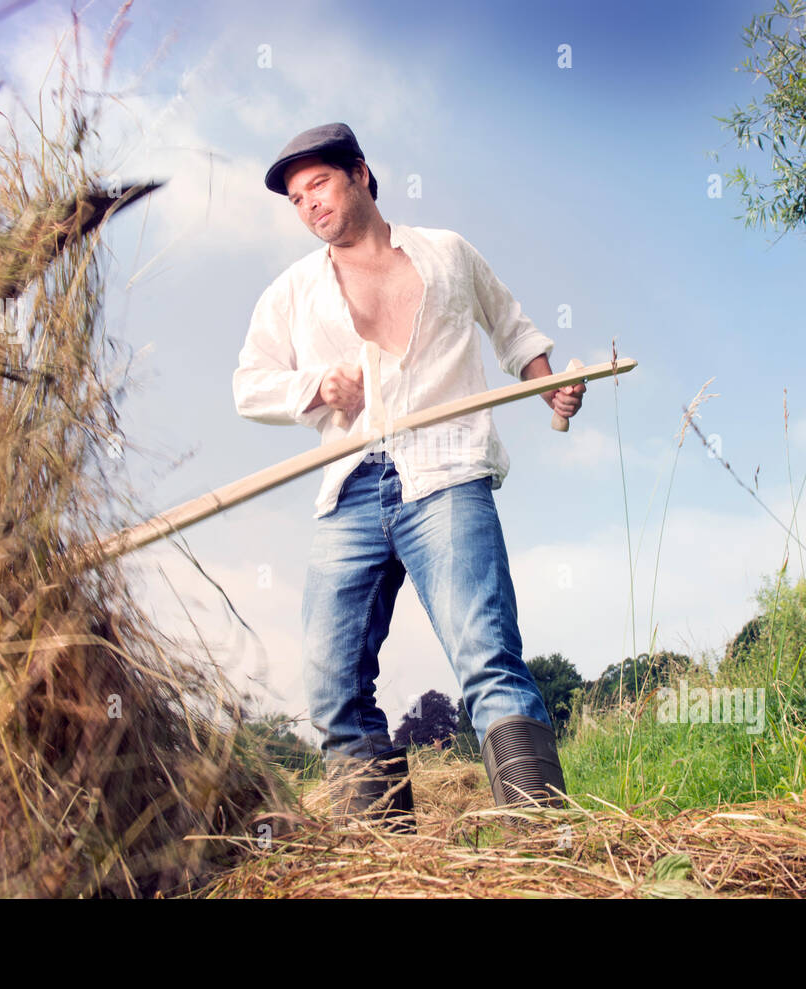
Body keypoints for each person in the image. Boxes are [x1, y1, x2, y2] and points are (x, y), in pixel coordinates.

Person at [232, 123, 584, 829]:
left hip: (447, 472)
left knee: (487, 658)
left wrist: (549, 385)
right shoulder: (291, 293)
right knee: (333, 689)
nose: (309, 206)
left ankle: (543, 847)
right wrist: (316, 389)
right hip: (349, 491)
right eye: (297, 199)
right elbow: (249, 386)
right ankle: (388, 864)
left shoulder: (448, 253)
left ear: (360, 173)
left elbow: (513, 330)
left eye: (319, 184)